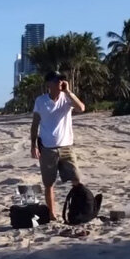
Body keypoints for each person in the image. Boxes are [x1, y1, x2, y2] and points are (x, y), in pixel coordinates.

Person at [30, 71, 86, 220]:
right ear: (48, 84)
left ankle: (78, 210)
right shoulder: (40, 101)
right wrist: (33, 145)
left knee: (76, 179)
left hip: (66, 147)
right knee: (49, 183)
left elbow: (81, 108)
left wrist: (68, 91)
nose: (60, 83)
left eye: (61, 80)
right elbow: (35, 124)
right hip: (47, 148)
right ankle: (51, 214)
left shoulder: (67, 99)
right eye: (56, 81)